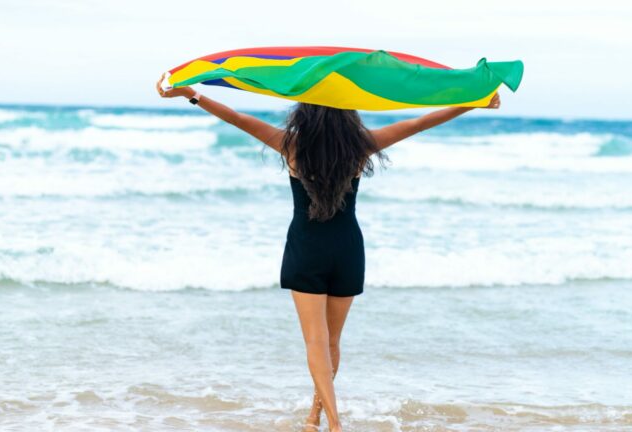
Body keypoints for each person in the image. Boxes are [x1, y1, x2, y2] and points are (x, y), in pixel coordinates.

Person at [156, 75, 500, 432]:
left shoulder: (290, 144)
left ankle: (333, 423)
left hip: (306, 249)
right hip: (347, 249)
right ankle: (314, 416)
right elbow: (419, 122)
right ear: (346, 112)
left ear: (305, 111)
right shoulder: (361, 144)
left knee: (316, 341)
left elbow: (238, 119)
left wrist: (191, 94)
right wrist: (471, 103)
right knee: (332, 342)